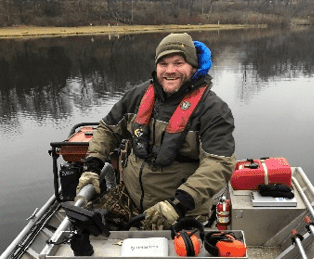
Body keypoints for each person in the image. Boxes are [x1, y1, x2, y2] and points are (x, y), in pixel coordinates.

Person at [77, 33, 235, 231]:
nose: (170, 71)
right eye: (163, 63)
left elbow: (219, 163)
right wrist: (92, 166)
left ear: (193, 67)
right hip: (130, 198)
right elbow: (107, 129)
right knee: (87, 227)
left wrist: (179, 203)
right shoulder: (137, 95)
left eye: (178, 63)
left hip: (181, 209)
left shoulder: (214, 110)